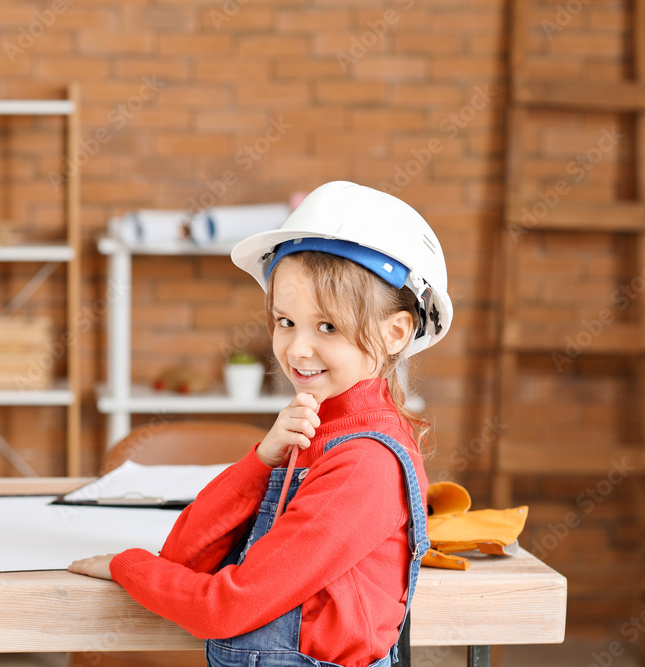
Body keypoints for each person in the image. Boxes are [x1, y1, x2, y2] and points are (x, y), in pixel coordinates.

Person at [69, 181, 452, 667]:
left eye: (327, 327)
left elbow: (224, 608)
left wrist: (129, 566)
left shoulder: (365, 464)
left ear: (394, 332)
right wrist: (261, 460)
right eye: (285, 321)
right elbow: (185, 557)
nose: (296, 350)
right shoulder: (312, 430)